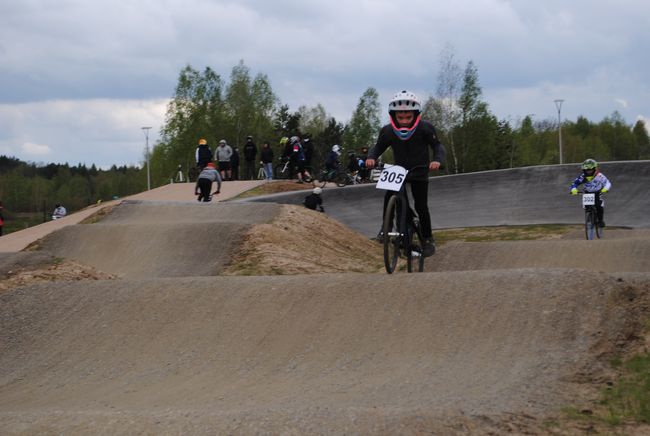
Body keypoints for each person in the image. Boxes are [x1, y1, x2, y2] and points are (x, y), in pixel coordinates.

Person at [365, 90, 445, 257]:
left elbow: (438, 146)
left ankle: (428, 238)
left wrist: (437, 160)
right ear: (393, 116)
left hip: (420, 170)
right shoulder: (387, 131)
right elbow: (378, 147)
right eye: (400, 118)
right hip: (398, 171)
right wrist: (371, 157)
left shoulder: (425, 128)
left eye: (408, 118)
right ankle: (385, 229)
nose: (404, 122)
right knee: (390, 196)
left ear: (415, 115)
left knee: (421, 206)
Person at [570, 158, 611, 227]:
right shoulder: (582, 177)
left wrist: (605, 189)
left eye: (590, 170)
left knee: (599, 205)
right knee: (587, 207)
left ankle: (600, 221)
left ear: (595, 169)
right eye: (586, 170)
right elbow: (574, 183)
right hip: (587, 192)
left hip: (597, 192)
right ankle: (589, 217)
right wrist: (573, 189)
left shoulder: (600, 176)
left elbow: (607, 183)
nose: (588, 172)